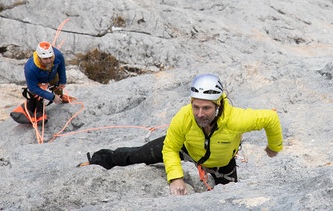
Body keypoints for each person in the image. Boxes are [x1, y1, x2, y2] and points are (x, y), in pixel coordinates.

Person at [81, 73, 283, 195]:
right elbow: (170, 148)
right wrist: (176, 178)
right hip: (186, 150)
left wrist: (274, 146)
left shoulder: (237, 119)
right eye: (196, 107)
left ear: (219, 104)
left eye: (206, 108)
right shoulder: (184, 117)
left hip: (221, 164)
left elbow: (270, 119)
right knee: (137, 155)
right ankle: (99, 160)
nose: (199, 114)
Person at [23, 41, 75, 115]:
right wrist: (52, 97)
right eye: (45, 59)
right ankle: (35, 107)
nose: (49, 61)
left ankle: (60, 97)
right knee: (35, 93)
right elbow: (33, 87)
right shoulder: (30, 68)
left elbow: (61, 67)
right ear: (39, 57)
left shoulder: (58, 55)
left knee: (58, 87)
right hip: (38, 80)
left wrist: (62, 81)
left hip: (52, 75)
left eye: (50, 57)